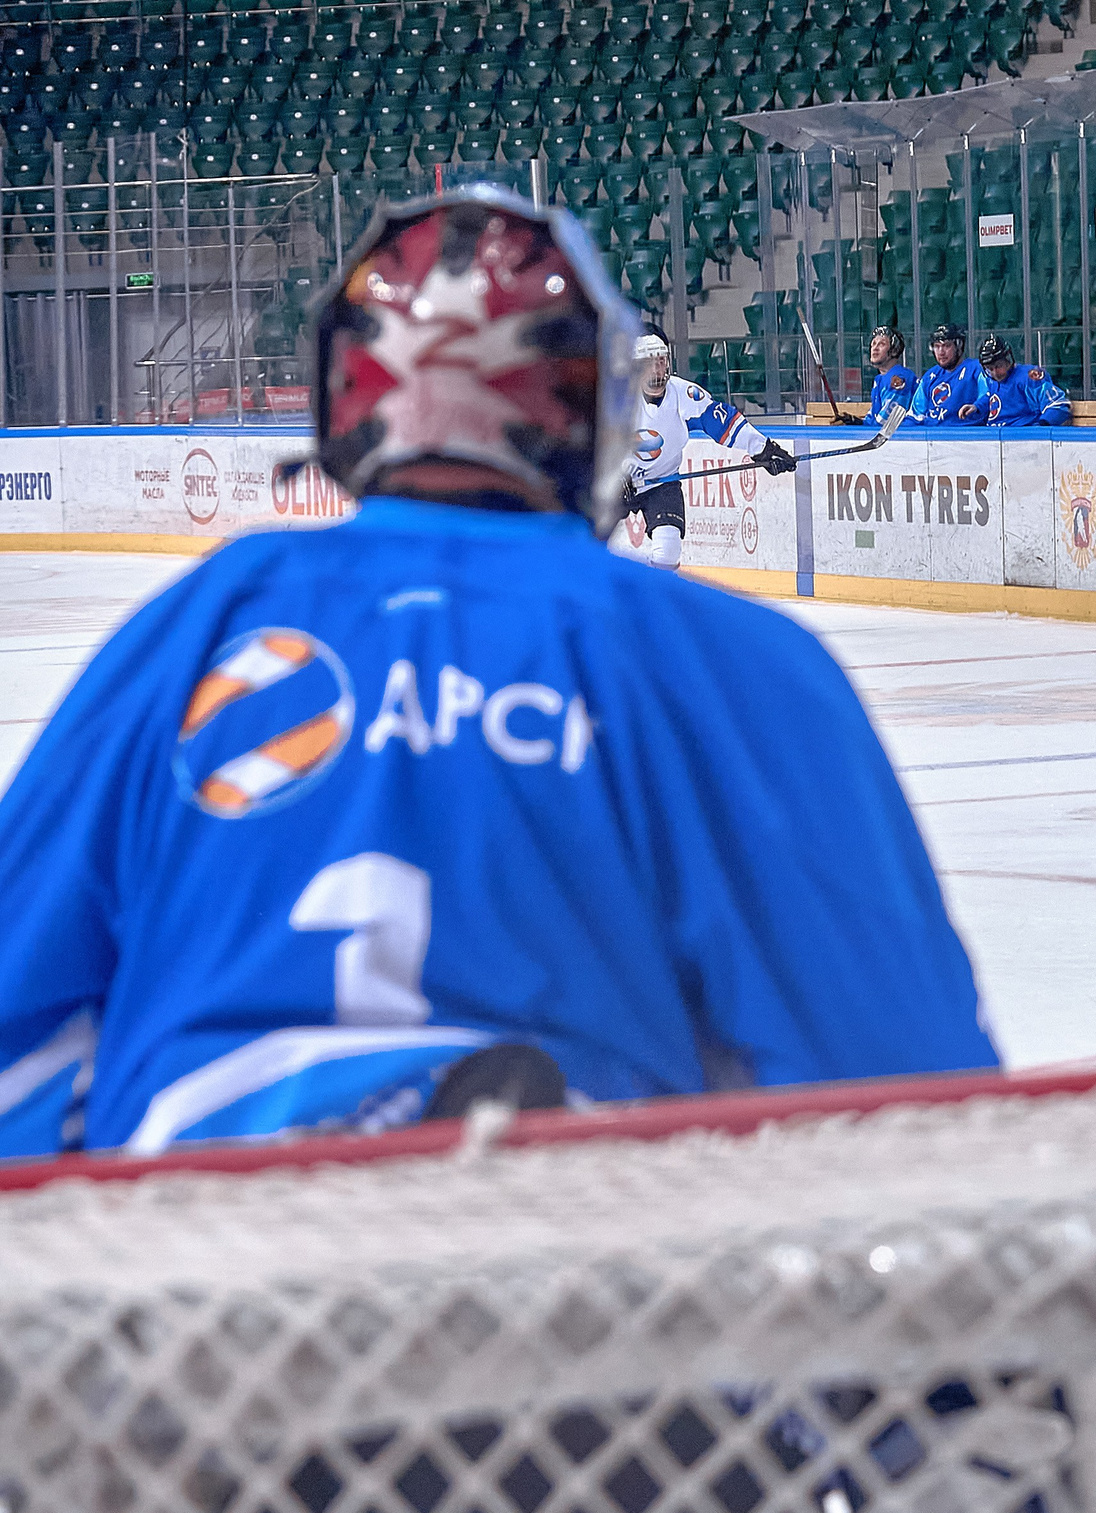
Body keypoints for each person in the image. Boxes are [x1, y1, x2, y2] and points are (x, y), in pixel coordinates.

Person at [0, 187, 996, 1160]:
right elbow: (911, 1107)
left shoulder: (200, 627)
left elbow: (19, 1027)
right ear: (595, 400)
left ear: (342, 396)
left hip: (194, 1240)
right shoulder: (735, 662)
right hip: (574, 1238)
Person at [622, 325, 798, 569]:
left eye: (660, 361)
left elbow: (723, 421)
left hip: (662, 483)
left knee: (668, 550)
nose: (656, 370)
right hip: (615, 483)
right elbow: (587, 437)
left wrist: (763, 449)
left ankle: (654, 594)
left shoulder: (683, 394)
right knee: (583, 542)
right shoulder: (613, 396)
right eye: (648, 363)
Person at [978, 335, 1071, 427]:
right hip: (994, 432)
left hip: (1022, 433)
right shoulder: (991, 381)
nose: (995, 373)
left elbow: (1058, 404)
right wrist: (977, 407)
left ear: (1008, 360)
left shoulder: (1029, 377)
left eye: (999, 366)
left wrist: (1042, 427)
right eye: (990, 368)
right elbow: (994, 399)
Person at [917, 323, 990, 424]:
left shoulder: (976, 369)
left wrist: (977, 406)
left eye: (947, 346)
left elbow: (989, 395)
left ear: (959, 346)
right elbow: (916, 414)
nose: (941, 352)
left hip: (963, 431)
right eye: (937, 346)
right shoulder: (930, 376)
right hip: (931, 431)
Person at [865, 325, 918, 422]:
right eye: (873, 344)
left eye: (881, 344)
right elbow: (872, 419)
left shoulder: (899, 378)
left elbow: (886, 422)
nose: (875, 348)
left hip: (901, 431)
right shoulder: (880, 379)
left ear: (894, 350)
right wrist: (853, 421)